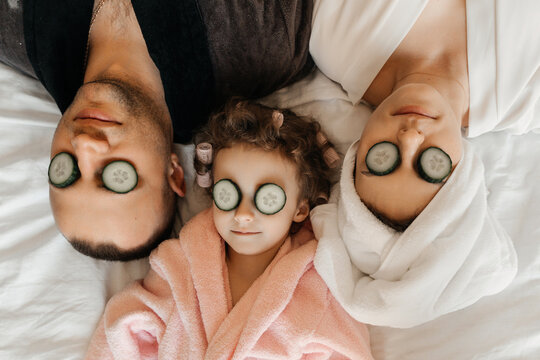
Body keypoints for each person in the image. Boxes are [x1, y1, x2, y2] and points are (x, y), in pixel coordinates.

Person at [0, 0, 314, 261]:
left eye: (65, 171)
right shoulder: (266, 43)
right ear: (174, 172)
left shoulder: (13, 33)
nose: (84, 145)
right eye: (117, 175)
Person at [301, 0, 539, 327]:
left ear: (356, 155)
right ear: (465, 179)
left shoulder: (334, 38)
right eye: (433, 166)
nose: (410, 138)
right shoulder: (530, 96)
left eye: (382, 157)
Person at [84, 100, 373, 359]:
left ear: (299, 209)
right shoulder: (179, 266)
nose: (243, 214)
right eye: (228, 194)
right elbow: (125, 325)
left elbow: (345, 350)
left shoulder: (319, 285)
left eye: (267, 199)